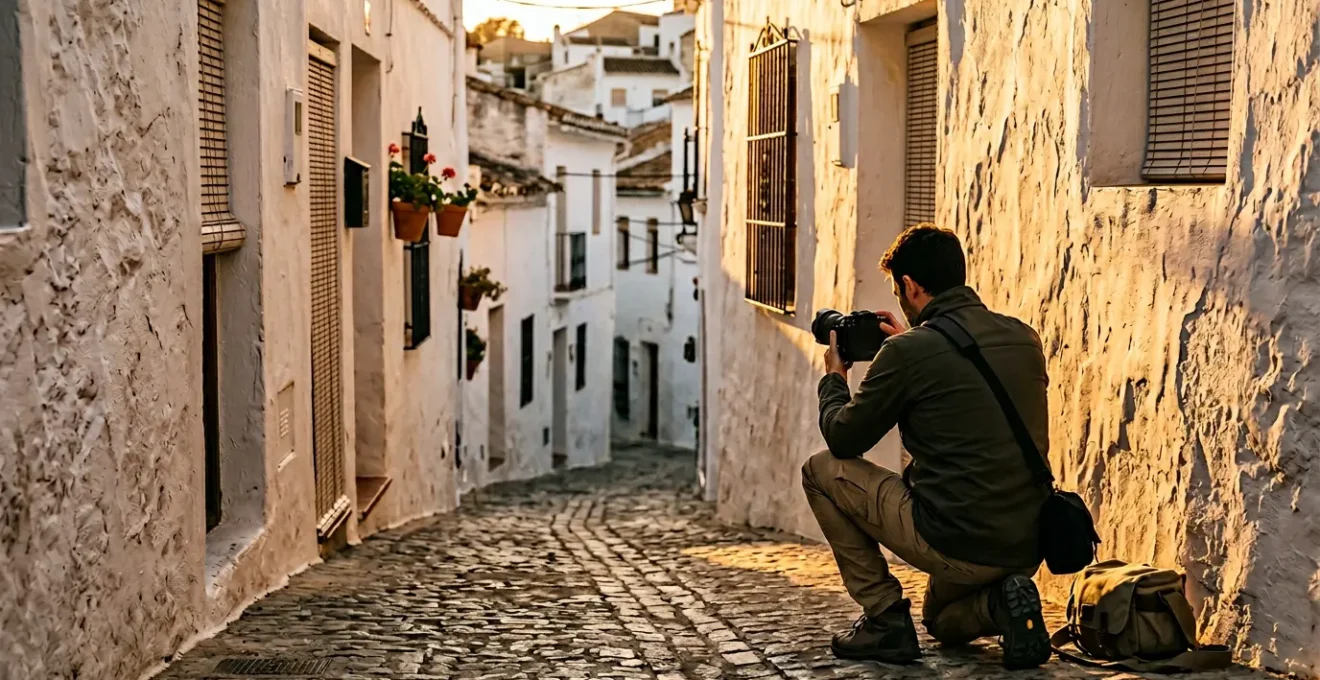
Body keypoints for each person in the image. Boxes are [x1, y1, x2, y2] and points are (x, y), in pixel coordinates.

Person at [803, 224, 1053, 669]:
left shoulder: (908, 353)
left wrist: (835, 376)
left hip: (956, 541)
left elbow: (843, 438)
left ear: (910, 286)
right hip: (1026, 541)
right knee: (939, 620)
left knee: (820, 471)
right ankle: (1001, 605)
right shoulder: (1022, 336)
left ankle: (883, 617)